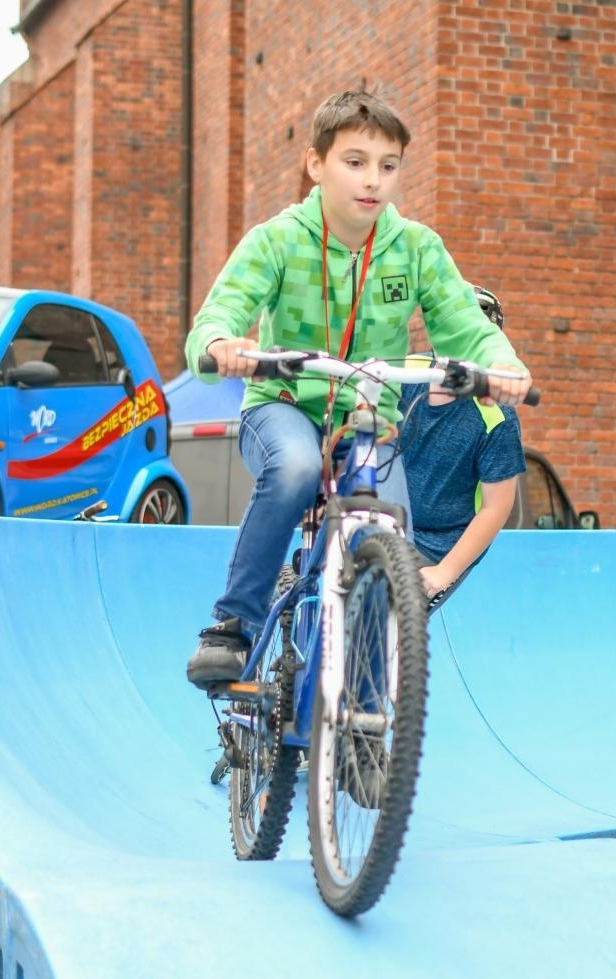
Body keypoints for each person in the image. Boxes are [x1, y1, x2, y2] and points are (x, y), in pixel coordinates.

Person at [184, 89, 531, 687]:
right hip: (284, 408)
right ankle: (232, 625)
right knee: (293, 469)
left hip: (369, 418)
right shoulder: (277, 240)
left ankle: (365, 701)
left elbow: (465, 324)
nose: (373, 180)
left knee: (388, 522)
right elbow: (223, 310)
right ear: (316, 164)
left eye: (388, 166)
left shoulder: (416, 248)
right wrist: (222, 346)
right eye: (354, 162)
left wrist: (504, 366)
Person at [396, 285, 526, 612]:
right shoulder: (403, 372)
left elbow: (496, 507)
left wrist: (445, 572)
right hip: (385, 520)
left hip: (437, 544)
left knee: (382, 631)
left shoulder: (496, 417)